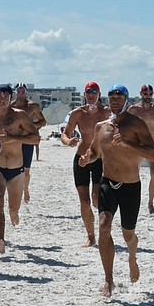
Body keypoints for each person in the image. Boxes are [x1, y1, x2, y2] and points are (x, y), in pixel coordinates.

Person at [78, 84, 154, 298]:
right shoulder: (101, 127)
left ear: (126, 99)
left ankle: (132, 257)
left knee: (128, 234)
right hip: (108, 182)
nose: (114, 99)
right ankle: (108, 279)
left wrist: (129, 145)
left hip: (131, 186)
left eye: (119, 96)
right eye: (111, 96)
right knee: (103, 226)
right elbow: (94, 151)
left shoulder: (136, 123)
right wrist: (88, 158)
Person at [0, 84, 40, 253]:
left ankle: (14, 212)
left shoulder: (20, 116)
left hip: (17, 169)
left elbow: (36, 139)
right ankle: (0, 238)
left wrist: (13, 138)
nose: (1, 99)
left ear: (10, 98)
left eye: (5, 96)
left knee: (13, 207)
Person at [61, 82, 111, 247]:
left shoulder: (107, 112)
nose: (91, 94)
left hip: (99, 158)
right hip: (81, 157)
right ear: (84, 94)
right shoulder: (78, 113)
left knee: (96, 199)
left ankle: (104, 227)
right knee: (84, 201)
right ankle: (90, 237)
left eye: (94, 91)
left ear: (99, 94)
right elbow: (65, 133)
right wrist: (68, 141)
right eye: (89, 92)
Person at [126, 84, 154, 215]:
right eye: (145, 94)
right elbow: (124, 122)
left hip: (152, 144)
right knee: (133, 173)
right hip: (137, 144)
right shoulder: (133, 109)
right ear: (141, 94)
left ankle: (150, 202)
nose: (148, 97)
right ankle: (132, 200)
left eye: (150, 94)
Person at [13, 82, 47, 204]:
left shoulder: (32, 107)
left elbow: (43, 121)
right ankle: (15, 191)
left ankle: (25, 189)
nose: (20, 94)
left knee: (26, 170)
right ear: (15, 92)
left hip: (27, 140)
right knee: (14, 168)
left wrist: (32, 127)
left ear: (26, 93)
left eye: (23, 92)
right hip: (14, 141)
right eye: (18, 91)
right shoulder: (11, 106)